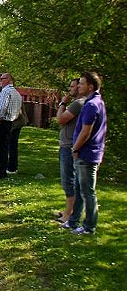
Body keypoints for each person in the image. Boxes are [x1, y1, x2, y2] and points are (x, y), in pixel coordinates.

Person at [61, 72, 107, 235]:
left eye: (81, 84)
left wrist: (75, 148)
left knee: (88, 192)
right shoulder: (94, 102)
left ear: (91, 86)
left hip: (87, 154)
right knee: (79, 189)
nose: (78, 86)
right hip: (85, 153)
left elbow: (85, 132)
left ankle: (89, 227)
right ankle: (73, 222)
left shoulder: (91, 105)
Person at [55, 78, 85, 223]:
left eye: (72, 86)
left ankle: (69, 213)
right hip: (68, 144)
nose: (70, 89)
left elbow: (60, 119)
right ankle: (69, 210)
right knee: (69, 179)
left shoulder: (78, 103)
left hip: (69, 146)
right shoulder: (79, 103)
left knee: (68, 180)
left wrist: (62, 103)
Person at [0, 73, 22, 180]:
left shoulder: (6, 91)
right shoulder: (16, 93)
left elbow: (3, 106)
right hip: (10, 122)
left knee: (0, 148)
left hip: (2, 122)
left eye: (3, 78)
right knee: (5, 147)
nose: (1, 80)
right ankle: (4, 169)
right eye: (0, 78)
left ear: (10, 80)